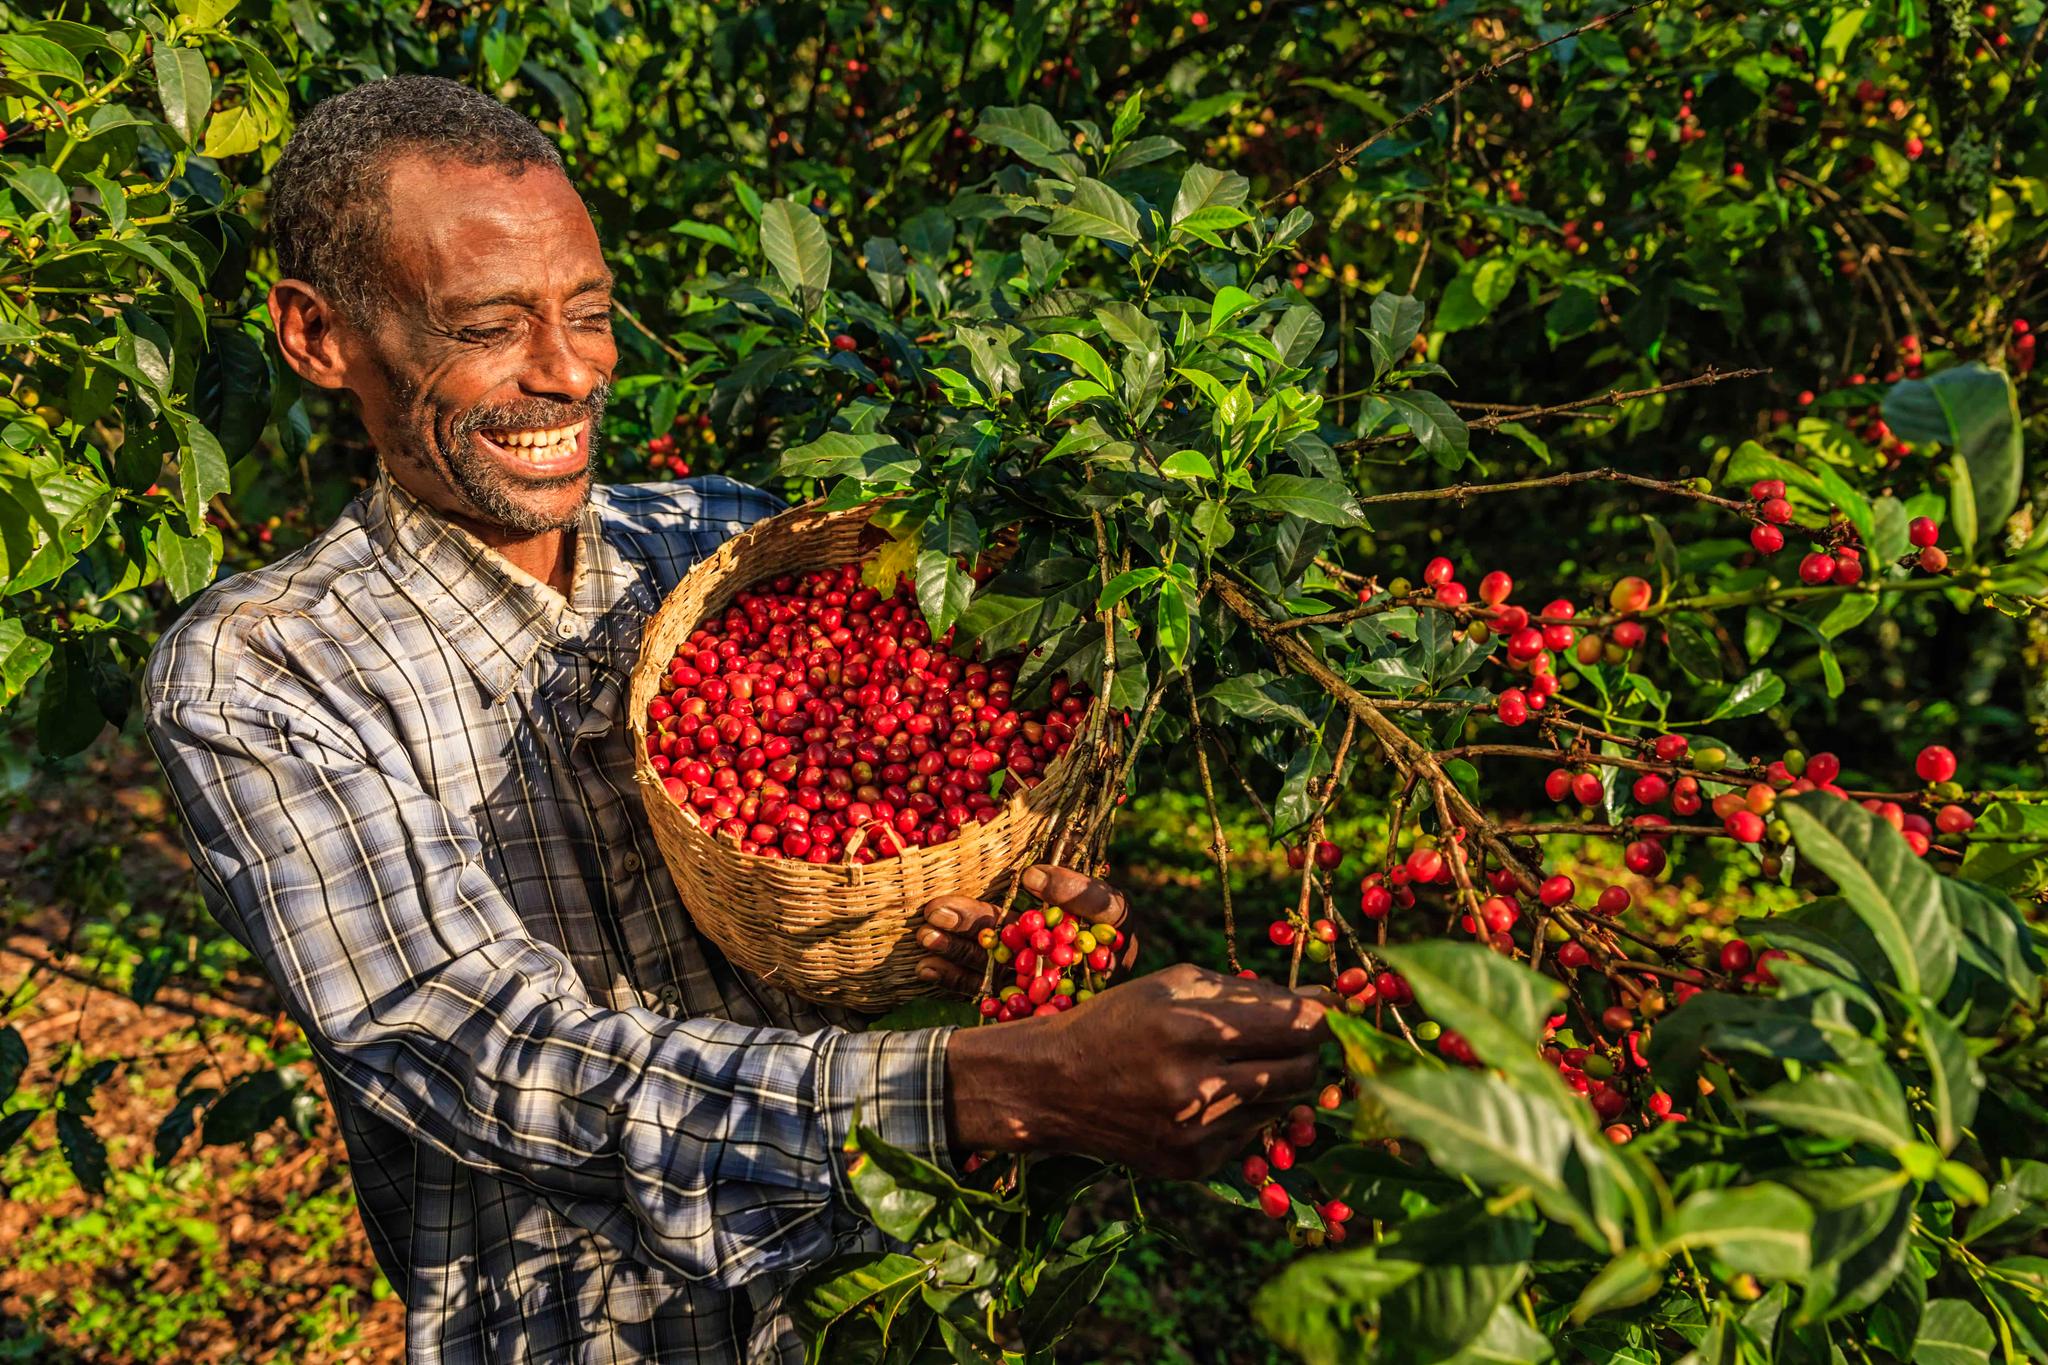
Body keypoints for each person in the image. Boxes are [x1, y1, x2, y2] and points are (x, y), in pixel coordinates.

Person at [144, 74, 1326, 1364]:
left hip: (898, 1302)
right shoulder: (262, 671)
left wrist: (1012, 941)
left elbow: (896, 846)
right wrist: (1002, 1084)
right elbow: (486, 1056)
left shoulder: (723, 541)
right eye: (490, 325)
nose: (568, 370)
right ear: (320, 339)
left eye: (589, 314)